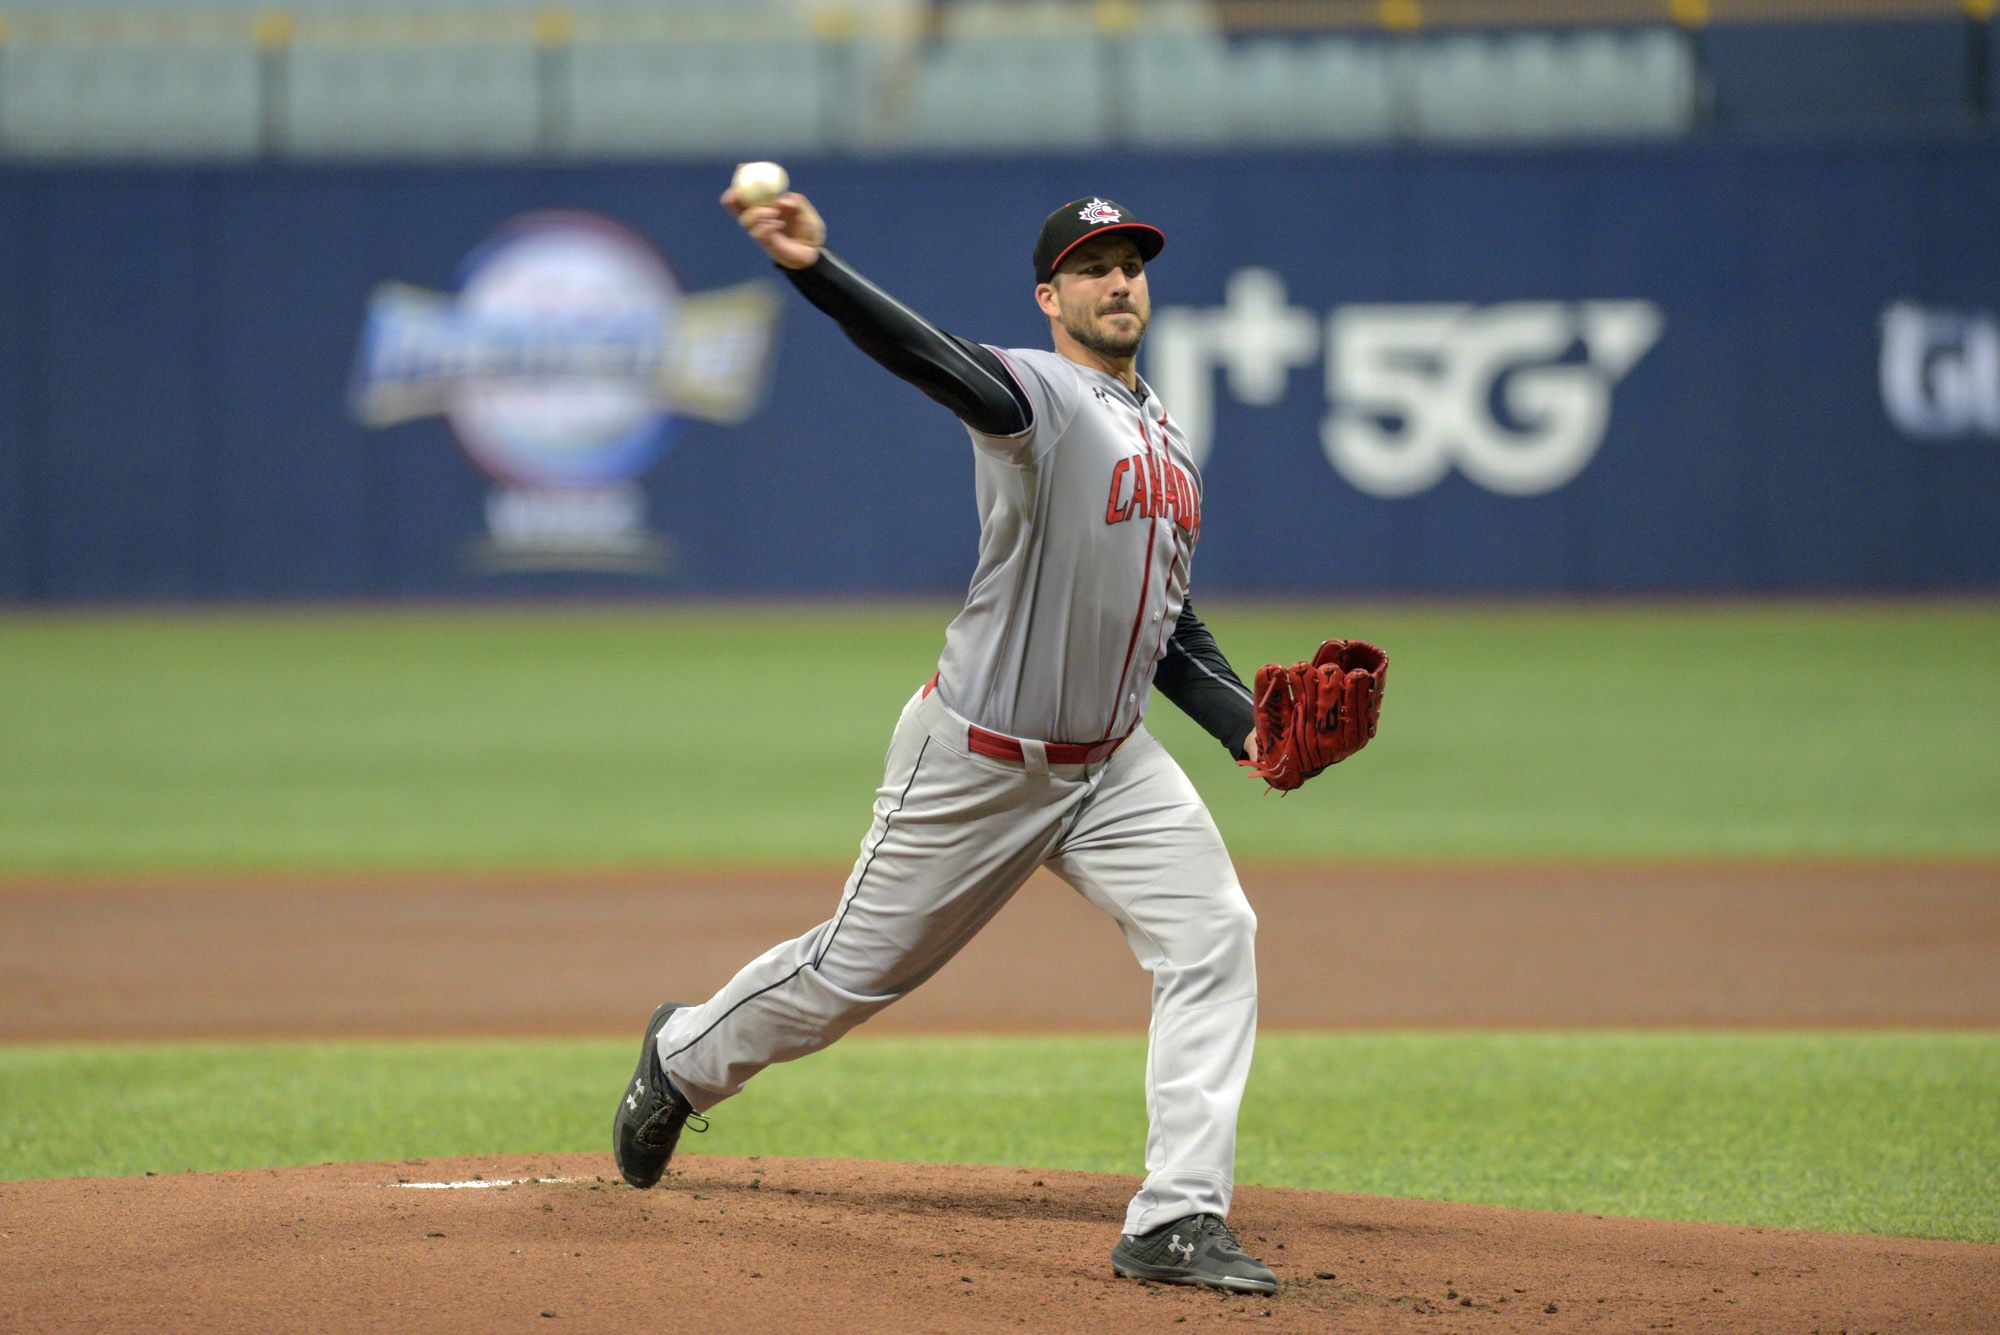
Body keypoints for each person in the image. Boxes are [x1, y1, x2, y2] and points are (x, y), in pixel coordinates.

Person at [615, 183, 1280, 1295]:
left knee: (1215, 934)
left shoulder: (1164, 438)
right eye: (1092, 265)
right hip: (979, 760)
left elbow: (1166, 629)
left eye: (1131, 263)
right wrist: (813, 271)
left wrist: (1252, 732)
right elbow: (928, 357)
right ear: (1050, 294)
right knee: (845, 978)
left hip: (1109, 766)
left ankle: (1174, 1219)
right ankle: (682, 1056)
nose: (1118, 281)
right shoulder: (1040, 398)